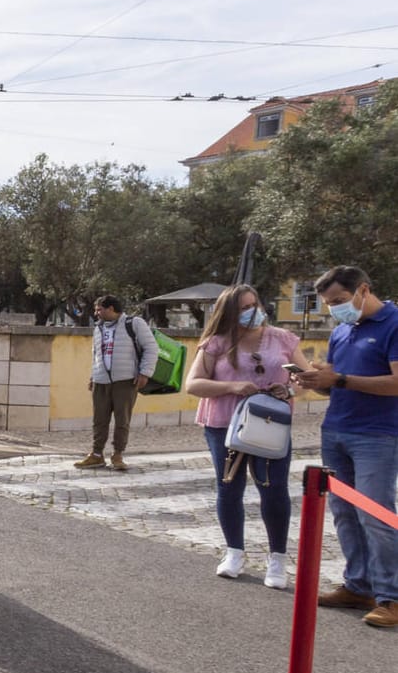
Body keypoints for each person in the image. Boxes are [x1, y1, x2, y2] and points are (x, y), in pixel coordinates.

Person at [184, 285, 311, 588]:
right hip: (224, 426)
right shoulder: (215, 343)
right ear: (228, 312)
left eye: (254, 304)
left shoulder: (282, 339)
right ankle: (234, 552)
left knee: (274, 488)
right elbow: (194, 385)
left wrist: (290, 389)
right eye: (243, 307)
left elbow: (306, 378)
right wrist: (232, 387)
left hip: (270, 423)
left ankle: (278, 559)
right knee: (229, 487)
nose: (252, 311)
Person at [295, 265, 398, 628]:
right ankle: (359, 585)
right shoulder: (341, 330)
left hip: (378, 434)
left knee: (376, 514)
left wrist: (338, 378)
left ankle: (392, 597)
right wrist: (316, 379)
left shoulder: (394, 324)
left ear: (364, 289)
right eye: (328, 303)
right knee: (344, 513)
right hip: (337, 429)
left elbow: (396, 382)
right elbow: (337, 381)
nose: (334, 308)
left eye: (339, 300)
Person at [75, 295, 157, 471]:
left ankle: (118, 454)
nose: (96, 313)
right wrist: (92, 376)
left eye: (99, 309)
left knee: (122, 419)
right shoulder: (98, 328)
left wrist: (144, 373)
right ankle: (96, 455)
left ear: (111, 309)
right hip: (101, 380)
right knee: (99, 420)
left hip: (125, 380)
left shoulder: (134, 323)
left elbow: (151, 348)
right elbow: (96, 354)